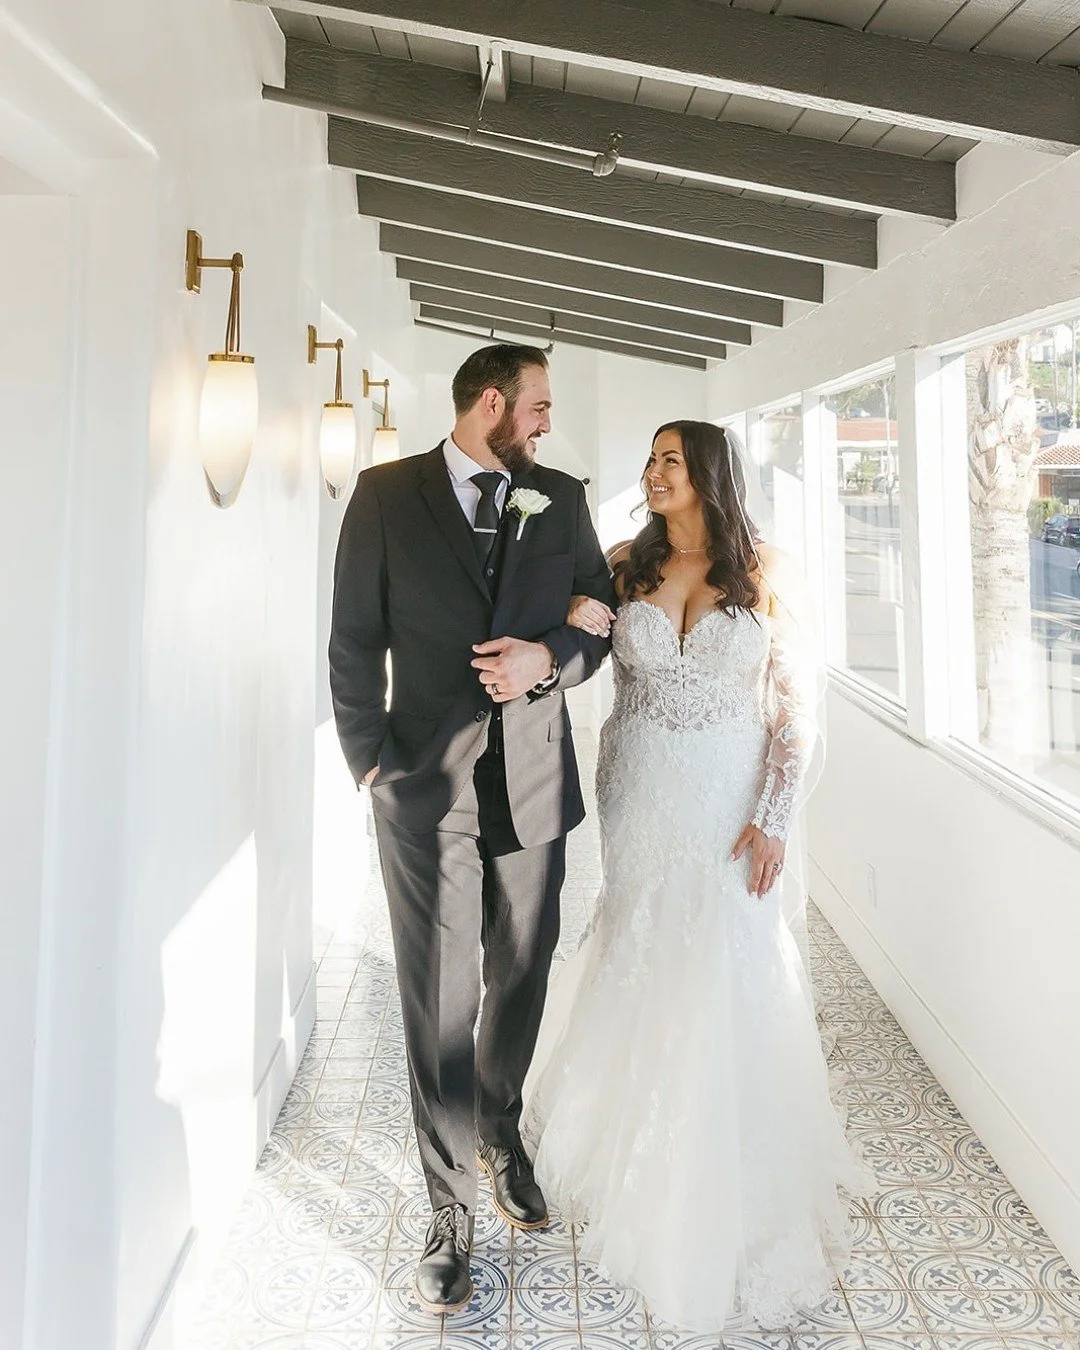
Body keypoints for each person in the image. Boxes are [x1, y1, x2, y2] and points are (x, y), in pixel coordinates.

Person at [522, 420, 868, 1333]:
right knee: (639, 943)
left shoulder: (766, 573)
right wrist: (569, 620)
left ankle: (721, 1164)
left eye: (671, 458)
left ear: (710, 473)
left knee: (724, 956)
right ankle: (625, 1142)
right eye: (650, 458)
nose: (654, 470)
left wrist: (775, 816)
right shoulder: (621, 560)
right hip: (638, 787)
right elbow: (571, 638)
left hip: (726, 797)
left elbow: (793, 704)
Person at [329, 344, 615, 1314]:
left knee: (524, 969)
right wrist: (370, 761)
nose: (544, 420)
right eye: (535, 405)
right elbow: (354, 638)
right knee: (441, 999)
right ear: (489, 405)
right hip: (422, 787)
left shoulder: (562, 497)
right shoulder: (384, 494)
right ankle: (449, 1216)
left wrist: (549, 656)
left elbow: (600, 611)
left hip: (534, 781)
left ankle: (501, 1124)